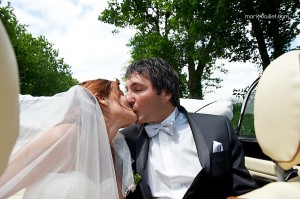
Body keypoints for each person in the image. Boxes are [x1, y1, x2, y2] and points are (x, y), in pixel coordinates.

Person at [121, 57, 258, 199]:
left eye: (137, 89)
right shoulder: (125, 140)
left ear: (166, 93)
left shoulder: (218, 128)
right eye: (127, 91)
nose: (128, 98)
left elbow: (245, 190)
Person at [0, 78, 137, 199]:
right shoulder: (66, 136)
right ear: (102, 99)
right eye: (121, 94)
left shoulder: (114, 151)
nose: (130, 99)